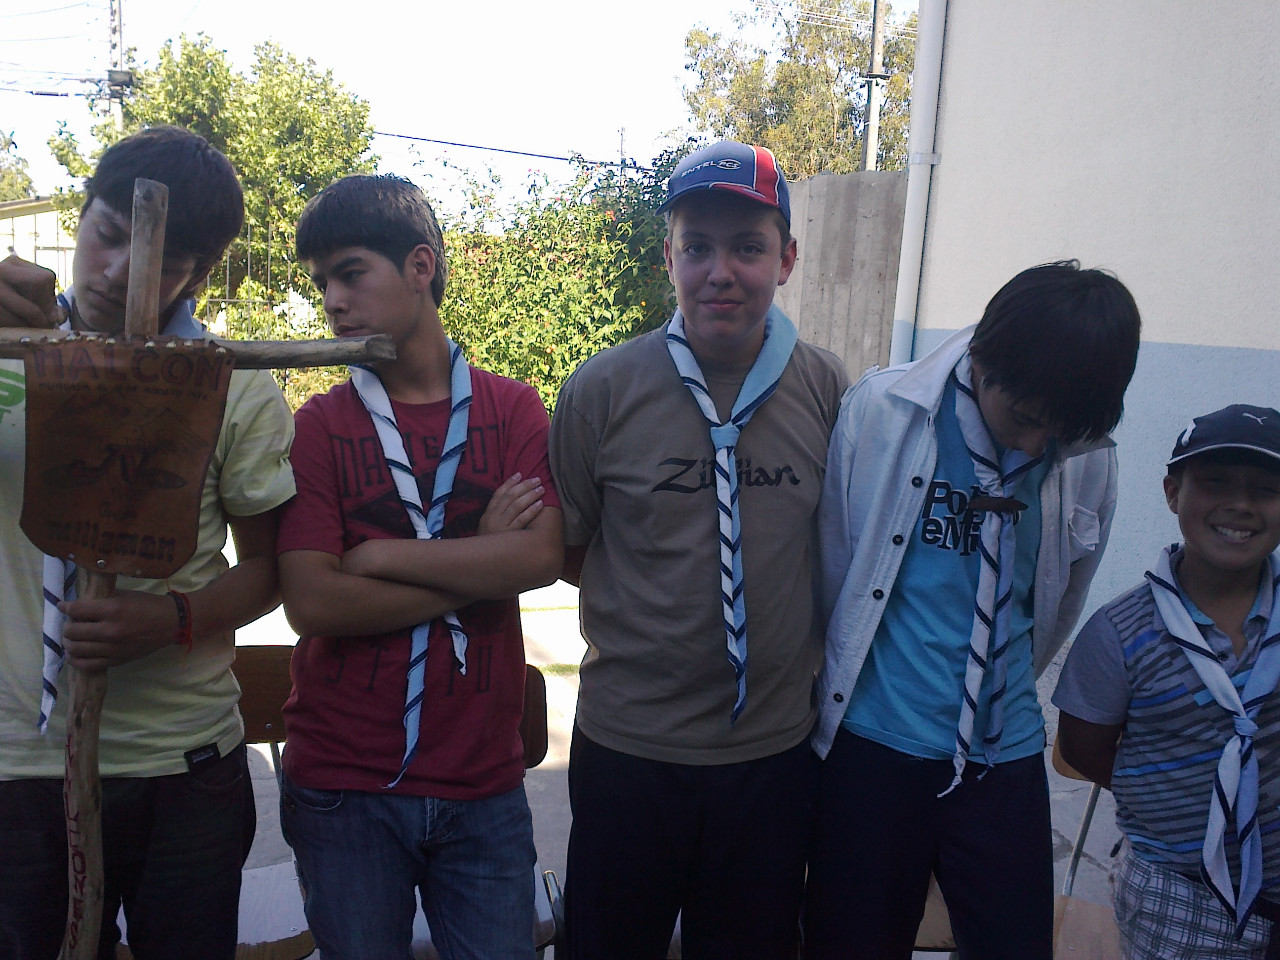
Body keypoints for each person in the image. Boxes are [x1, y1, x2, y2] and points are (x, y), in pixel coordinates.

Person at [548, 140, 849, 959]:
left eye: (748, 247)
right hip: (629, 750)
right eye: (698, 248)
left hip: (770, 756)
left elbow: (840, 550)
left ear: (786, 259)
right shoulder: (601, 390)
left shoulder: (828, 390)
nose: (722, 272)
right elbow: (576, 549)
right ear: (669, 258)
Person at [0, 126, 295, 958]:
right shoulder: (10, 347)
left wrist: (174, 619)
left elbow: (268, 570)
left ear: (199, 275)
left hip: (184, 763)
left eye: (165, 263)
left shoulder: (233, 381)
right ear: (80, 214)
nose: (121, 272)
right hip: (20, 760)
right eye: (106, 234)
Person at [806, 261, 1143, 960]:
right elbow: (834, 567)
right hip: (875, 745)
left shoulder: (1085, 454)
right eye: (1024, 419)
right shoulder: (883, 409)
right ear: (983, 359)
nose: (1035, 446)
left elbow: (1059, 599)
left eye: (1056, 432)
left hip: (1003, 753)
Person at [276, 173, 563, 960]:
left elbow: (540, 557)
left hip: (483, 784)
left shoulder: (513, 409)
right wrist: (479, 561)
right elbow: (314, 604)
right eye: (321, 284)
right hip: (343, 785)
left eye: (350, 273)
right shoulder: (319, 426)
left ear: (420, 266)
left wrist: (379, 558)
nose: (333, 302)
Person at [1054, 405, 1280, 959]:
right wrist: (1171, 795)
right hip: (1176, 893)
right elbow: (1082, 749)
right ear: (1173, 492)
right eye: (1216, 482)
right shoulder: (1119, 632)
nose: (1241, 505)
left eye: (1266, 489)